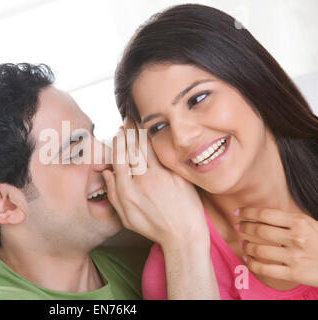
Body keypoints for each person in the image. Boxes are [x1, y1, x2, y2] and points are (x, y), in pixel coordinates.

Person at [105, 4, 318, 300]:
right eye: (157, 127)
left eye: (198, 98)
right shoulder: (173, 269)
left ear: (251, 78)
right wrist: (186, 247)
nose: (181, 136)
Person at [0, 63, 150, 300]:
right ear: (3, 203)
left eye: (93, 137)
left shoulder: (142, 266)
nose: (108, 156)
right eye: (76, 153)